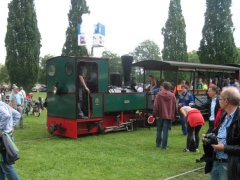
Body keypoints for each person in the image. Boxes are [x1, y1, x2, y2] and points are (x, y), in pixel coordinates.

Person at [210, 87, 240, 180]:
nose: (219, 101)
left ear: (226, 101)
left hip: (230, 165)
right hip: (216, 161)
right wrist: (211, 137)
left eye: (220, 99)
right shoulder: (224, 115)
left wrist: (224, 148)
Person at [0, 101, 21, 180]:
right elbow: (17, 115)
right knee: (1, 165)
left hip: (3, 140)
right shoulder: (3, 104)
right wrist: (11, 126)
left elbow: (6, 116)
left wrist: (0, 129)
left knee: (6, 165)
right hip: (7, 137)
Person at [153, 82, 176, 149]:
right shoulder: (172, 95)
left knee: (159, 130)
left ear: (163, 87)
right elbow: (175, 106)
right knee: (165, 131)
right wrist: (174, 115)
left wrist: (155, 114)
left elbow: (155, 106)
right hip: (168, 116)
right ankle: (164, 146)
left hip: (160, 115)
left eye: (161, 86)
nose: (160, 87)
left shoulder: (158, 95)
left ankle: (158, 144)